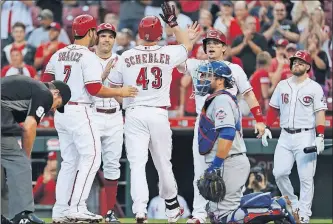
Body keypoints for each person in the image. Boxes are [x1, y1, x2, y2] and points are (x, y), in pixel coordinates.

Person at [40, 14, 138, 223]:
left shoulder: (59, 53)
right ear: (92, 32)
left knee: (69, 162)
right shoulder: (88, 56)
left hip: (62, 112)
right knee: (92, 158)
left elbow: (45, 82)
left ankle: (60, 211)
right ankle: (77, 206)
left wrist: (57, 98)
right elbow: (94, 90)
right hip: (81, 111)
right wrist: (121, 92)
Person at [108, 2, 195, 222]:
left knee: (137, 165)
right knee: (163, 163)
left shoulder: (125, 56)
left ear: (139, 33)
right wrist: (174, 23)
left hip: (134, 112)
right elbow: (186, 45)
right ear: (158, 34)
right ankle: (172, 204)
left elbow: (112, 87)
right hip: (157, 112)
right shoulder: (167, 52)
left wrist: (123, 101)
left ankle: (139, 210)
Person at [176, 29, 271, 224]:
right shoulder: (198, 65)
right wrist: (187, 42)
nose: (210, 45)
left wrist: (260, 119)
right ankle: (200, 214)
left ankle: (236, 209)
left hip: (227, 124)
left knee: (229, 170)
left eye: (215, 43)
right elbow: (176, 62)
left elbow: (249, 94)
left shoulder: (233, 69)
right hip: (204, 124)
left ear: (224, 48)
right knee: (201, 172)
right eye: (208, 43)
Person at [193, 61, 297, 224]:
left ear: (220, 80)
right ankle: (277, 203)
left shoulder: (221, 100)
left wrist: (216, 165)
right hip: (228, 160)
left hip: (228, 161)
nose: (203, 79)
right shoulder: (218, 99)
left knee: (223, 218)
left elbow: (227, 134)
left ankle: (275, 208)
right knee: (216, 214)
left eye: (208, 76)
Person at [262, 50, 328, 223]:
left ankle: (304, 215)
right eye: (294, 61)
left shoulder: (314, 87)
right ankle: (293, 203)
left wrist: (320, 135)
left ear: (307, 66)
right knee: (279, 172)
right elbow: (274, 108)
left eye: (300, 62)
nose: (296, 64)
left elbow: (320, 113)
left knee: (306, 178)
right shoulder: (283, 85)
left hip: (305, 135)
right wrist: (267, 126)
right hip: (285, 135)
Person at [1, 75, 71, 224]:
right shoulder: (44, 93)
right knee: (19, 162)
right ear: (56, 93)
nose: (53, 108)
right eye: (57, 104)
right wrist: (25, 156)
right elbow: (29, 126)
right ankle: (22, 215)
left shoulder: (30, 87)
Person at [93, 22, 124, 223]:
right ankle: (78, 208)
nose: (106, 39)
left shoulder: (122, 61)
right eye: (102, 35)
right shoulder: (87, 59)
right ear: (97, 38)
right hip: (92, 114)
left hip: (114, 116)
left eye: (110, 36)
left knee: (113, 165)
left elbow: (125, 97)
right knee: (88, 163)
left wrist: (117, 91)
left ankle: (110, 212)